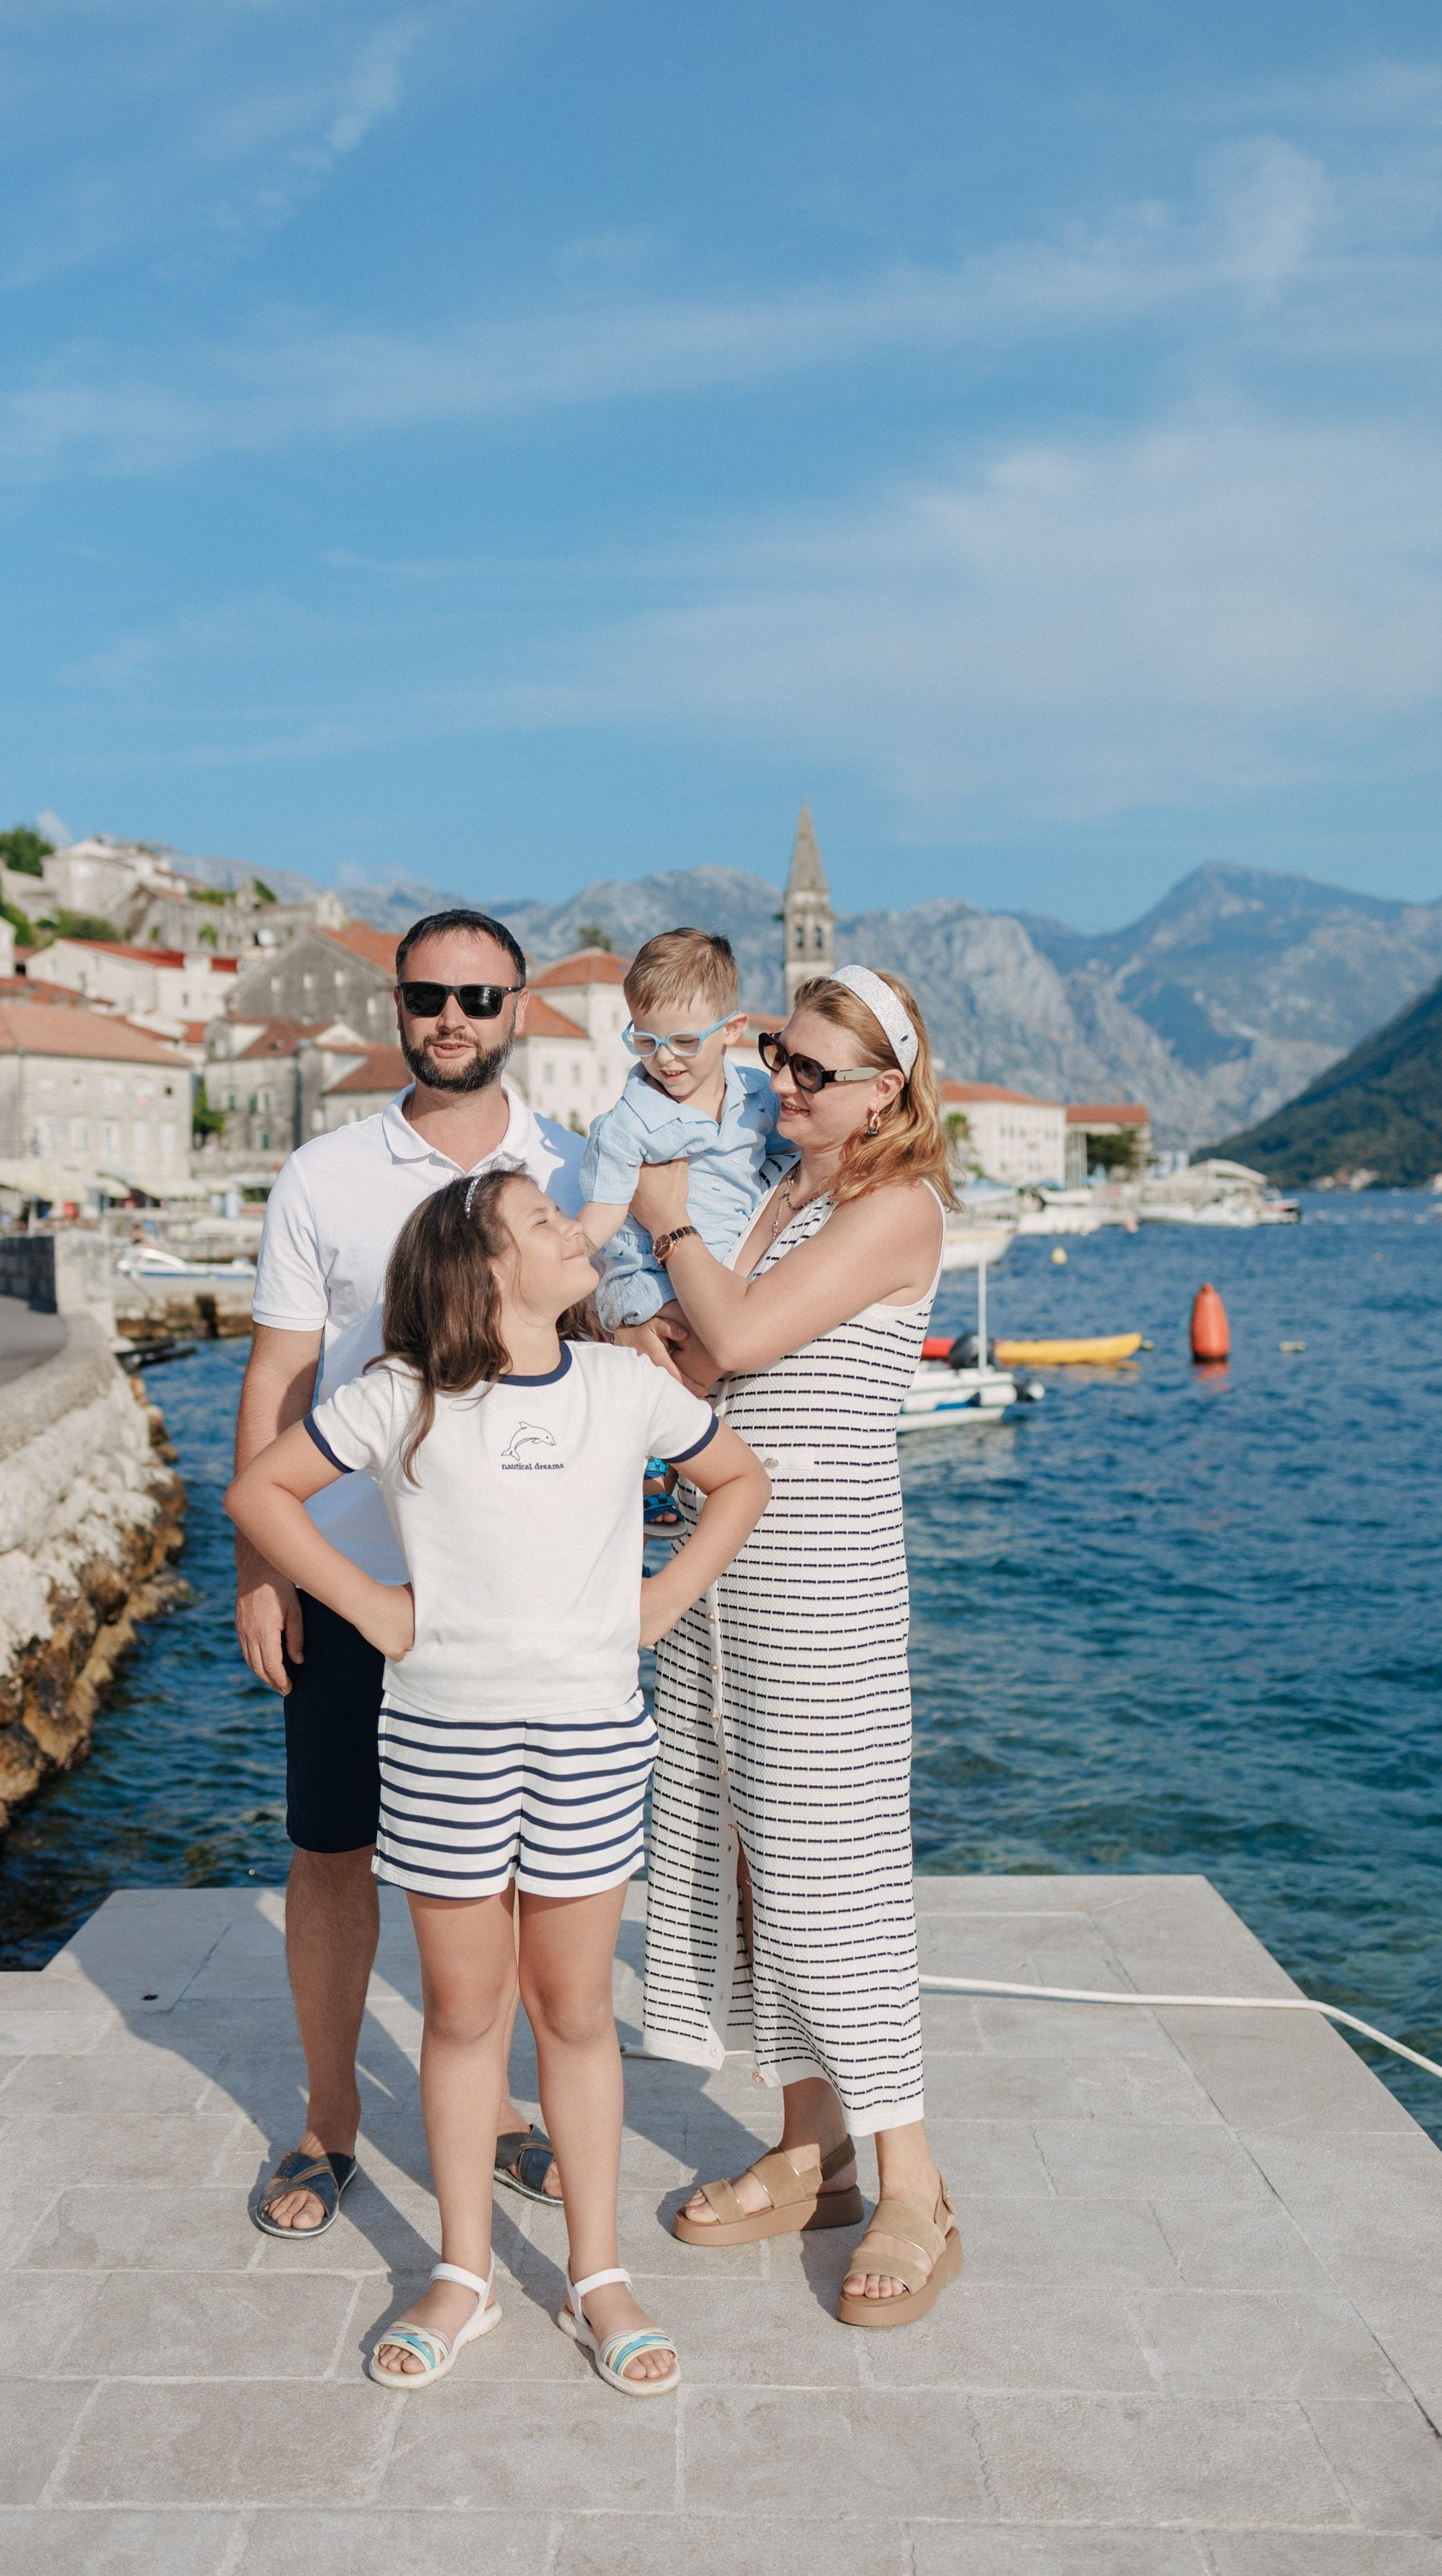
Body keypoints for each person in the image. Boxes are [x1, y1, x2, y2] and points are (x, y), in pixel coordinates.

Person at [225, 1170, 770, 2391]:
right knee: (465, 2014)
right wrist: (372, 1608)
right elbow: (259, 1489)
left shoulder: (626, 1386)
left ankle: (596, 2275)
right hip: (441, 1748)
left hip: (589, 1744)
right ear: (481, 1273)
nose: (574, 1229)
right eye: (542, 1223)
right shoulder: (402, 1396)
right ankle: (462, 2274)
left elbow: (742, 1480)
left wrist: (662, 1600)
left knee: (573, 2013)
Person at [235, 908, 585, 2235]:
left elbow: (614, 1357)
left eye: (480, 998)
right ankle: (329, 2124)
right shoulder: (322, 1175)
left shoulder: (572, 1168)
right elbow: (278, 1375)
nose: (453, 1019)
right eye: (430, 995)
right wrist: (261, 1569)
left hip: (518, 1590)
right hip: (347, 1576)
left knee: (506, 1871)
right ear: (395, 1005)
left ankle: (495, 2110)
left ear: (519, 1011)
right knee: (333, 1850)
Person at [629, 964, 965, 2331]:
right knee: (749, 1869)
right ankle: (812, 2151)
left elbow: (740, 1330)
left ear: (885, 1089)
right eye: (779, 1052)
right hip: (722, 1574)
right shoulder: (784, 1194)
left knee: (833, 1881)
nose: (782, 1080)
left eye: (814, 1070)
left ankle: (915, 2186)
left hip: (822, 1584)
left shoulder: (897, 1207)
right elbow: (706, 1365)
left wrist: (666, 1222)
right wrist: (664, 1315)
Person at [578, 927, 794, 1373]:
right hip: (653, 1281)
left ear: (732, 1030)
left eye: (684, 1042)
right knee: (702, 1353)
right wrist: (547, 1269)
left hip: (729, 1271)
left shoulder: (758, 1097)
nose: (664, 1059)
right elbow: (601, 1216)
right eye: (646, 1042)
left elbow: (797, 1149)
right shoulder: (626, 1127)